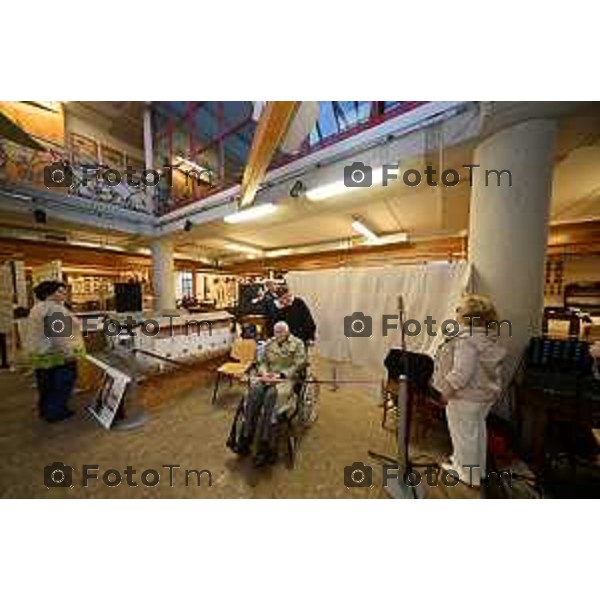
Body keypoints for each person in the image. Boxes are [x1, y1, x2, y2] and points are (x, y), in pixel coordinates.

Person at [432, 294, 506, 488]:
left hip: (466, 397)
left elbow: (461, 373)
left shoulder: (466, 340)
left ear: (468, 316)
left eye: (459, 309)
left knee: (463, 435)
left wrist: (446, 390)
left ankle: (466, 475)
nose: (456, 312)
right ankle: (476, 471)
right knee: (476, 434)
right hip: (483, 397)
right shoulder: (487, 337)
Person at [238, 321, 306, 466]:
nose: (278, 334)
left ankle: (265, 445)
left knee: (271, 397)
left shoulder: (298, 343)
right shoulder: (270, 343)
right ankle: (246, 436)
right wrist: (265, 373)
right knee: (254, 392)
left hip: (285, 379)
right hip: (267, 376)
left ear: (287, 332)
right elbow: (262, 362)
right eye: (276, 332)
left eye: (281, 332)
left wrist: (281, 375)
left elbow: (299, 363)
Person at [26, 280, 86, 422]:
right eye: (60, 291)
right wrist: (68, 353)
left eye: (64, 291)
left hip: (42, 354)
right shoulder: (55, 309)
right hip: (58, 355)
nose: (64, 294)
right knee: (62, 383)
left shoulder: (37, 308)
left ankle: (46, 410)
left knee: (45, 384)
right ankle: (56, 412)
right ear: (49, 293)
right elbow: (59, 335)